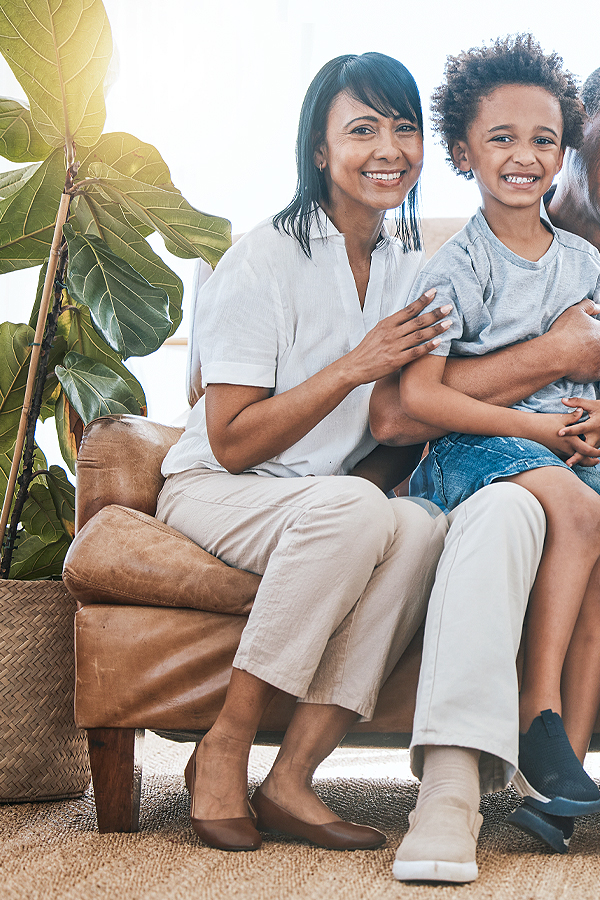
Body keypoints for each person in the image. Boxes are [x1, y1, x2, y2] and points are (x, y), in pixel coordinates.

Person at [370, 59, 600, 873]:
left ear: (556, 144)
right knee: (514, 514)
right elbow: (402, 405)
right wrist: (544, 377)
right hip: (514, 462)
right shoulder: (453, 263)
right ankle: (456, 786)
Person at [155, 52, 449, 853]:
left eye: (404, 128)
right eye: (362, 130)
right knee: (357, 507)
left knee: (420, 524)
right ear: (319, 151)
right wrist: (356, 363)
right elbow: (233, 441)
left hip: (326, 499)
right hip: (217, 485)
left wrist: (373, 483)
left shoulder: (410, 269)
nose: (389, 148)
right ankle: (226, 742)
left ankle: (291, 778)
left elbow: (398, 431)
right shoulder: (262, 258)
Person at [390, 36, 600, 884]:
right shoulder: (454, 264)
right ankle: (538, 718)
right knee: (580, 510)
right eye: (501, 138)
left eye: (542, 139)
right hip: (471, 447)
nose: (524, 156)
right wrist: (537, 433)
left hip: (556, 444)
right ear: (462, 153)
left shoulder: (576, 257)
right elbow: (421, 397)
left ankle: (555, 768)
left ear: (563, 150)